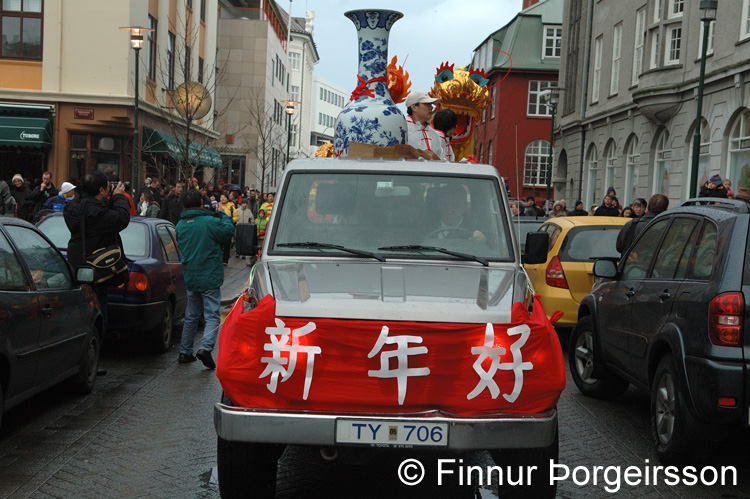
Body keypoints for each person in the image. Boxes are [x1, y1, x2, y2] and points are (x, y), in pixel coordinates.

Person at [63, 170, 130, 342]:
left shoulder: (73, 208)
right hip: (97, 269)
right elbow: (122, 218)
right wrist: (119, 197)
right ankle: (92, 354)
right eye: (108, 186)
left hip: (76, 266)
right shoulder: (97, 213)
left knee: (78, 313)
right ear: (101, 190)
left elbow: (93, 208)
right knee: (98, 315)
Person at [175, 189, 235, 368]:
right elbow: (228, 232)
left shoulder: (180, 225)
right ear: (201, 203)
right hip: (209, 275)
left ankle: (185, 351)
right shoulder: (210, 222)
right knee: (212, 315)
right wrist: (222, 215)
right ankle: (205, 348)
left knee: (191, 315)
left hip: (191, 276)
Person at [404, 90, 444, 160]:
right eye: (427, 104)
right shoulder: (403, 129)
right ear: (414, 107)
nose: (431, 107)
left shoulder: (434, 134)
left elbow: (441, 157)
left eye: (431, 104)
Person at [218, 193, 238, 265]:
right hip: (219, 226)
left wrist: (231, 221)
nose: (222, 199)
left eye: (224, 197)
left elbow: (236, 216)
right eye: (221, 197)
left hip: (227, 226)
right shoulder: (218, 205)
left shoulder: (231, 206)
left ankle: (225, 260)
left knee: (227, 244)